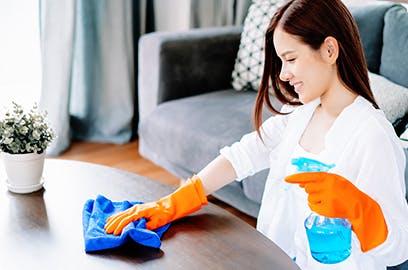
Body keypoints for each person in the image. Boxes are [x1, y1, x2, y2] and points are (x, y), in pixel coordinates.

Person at [104, 0, 408, 268]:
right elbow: (243, 155)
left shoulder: (372, 134)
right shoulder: (301, 116)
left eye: (290, 59)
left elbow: (398, 250)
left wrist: (357, 206)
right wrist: (174, 202)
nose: (283, 75)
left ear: (329, 50)